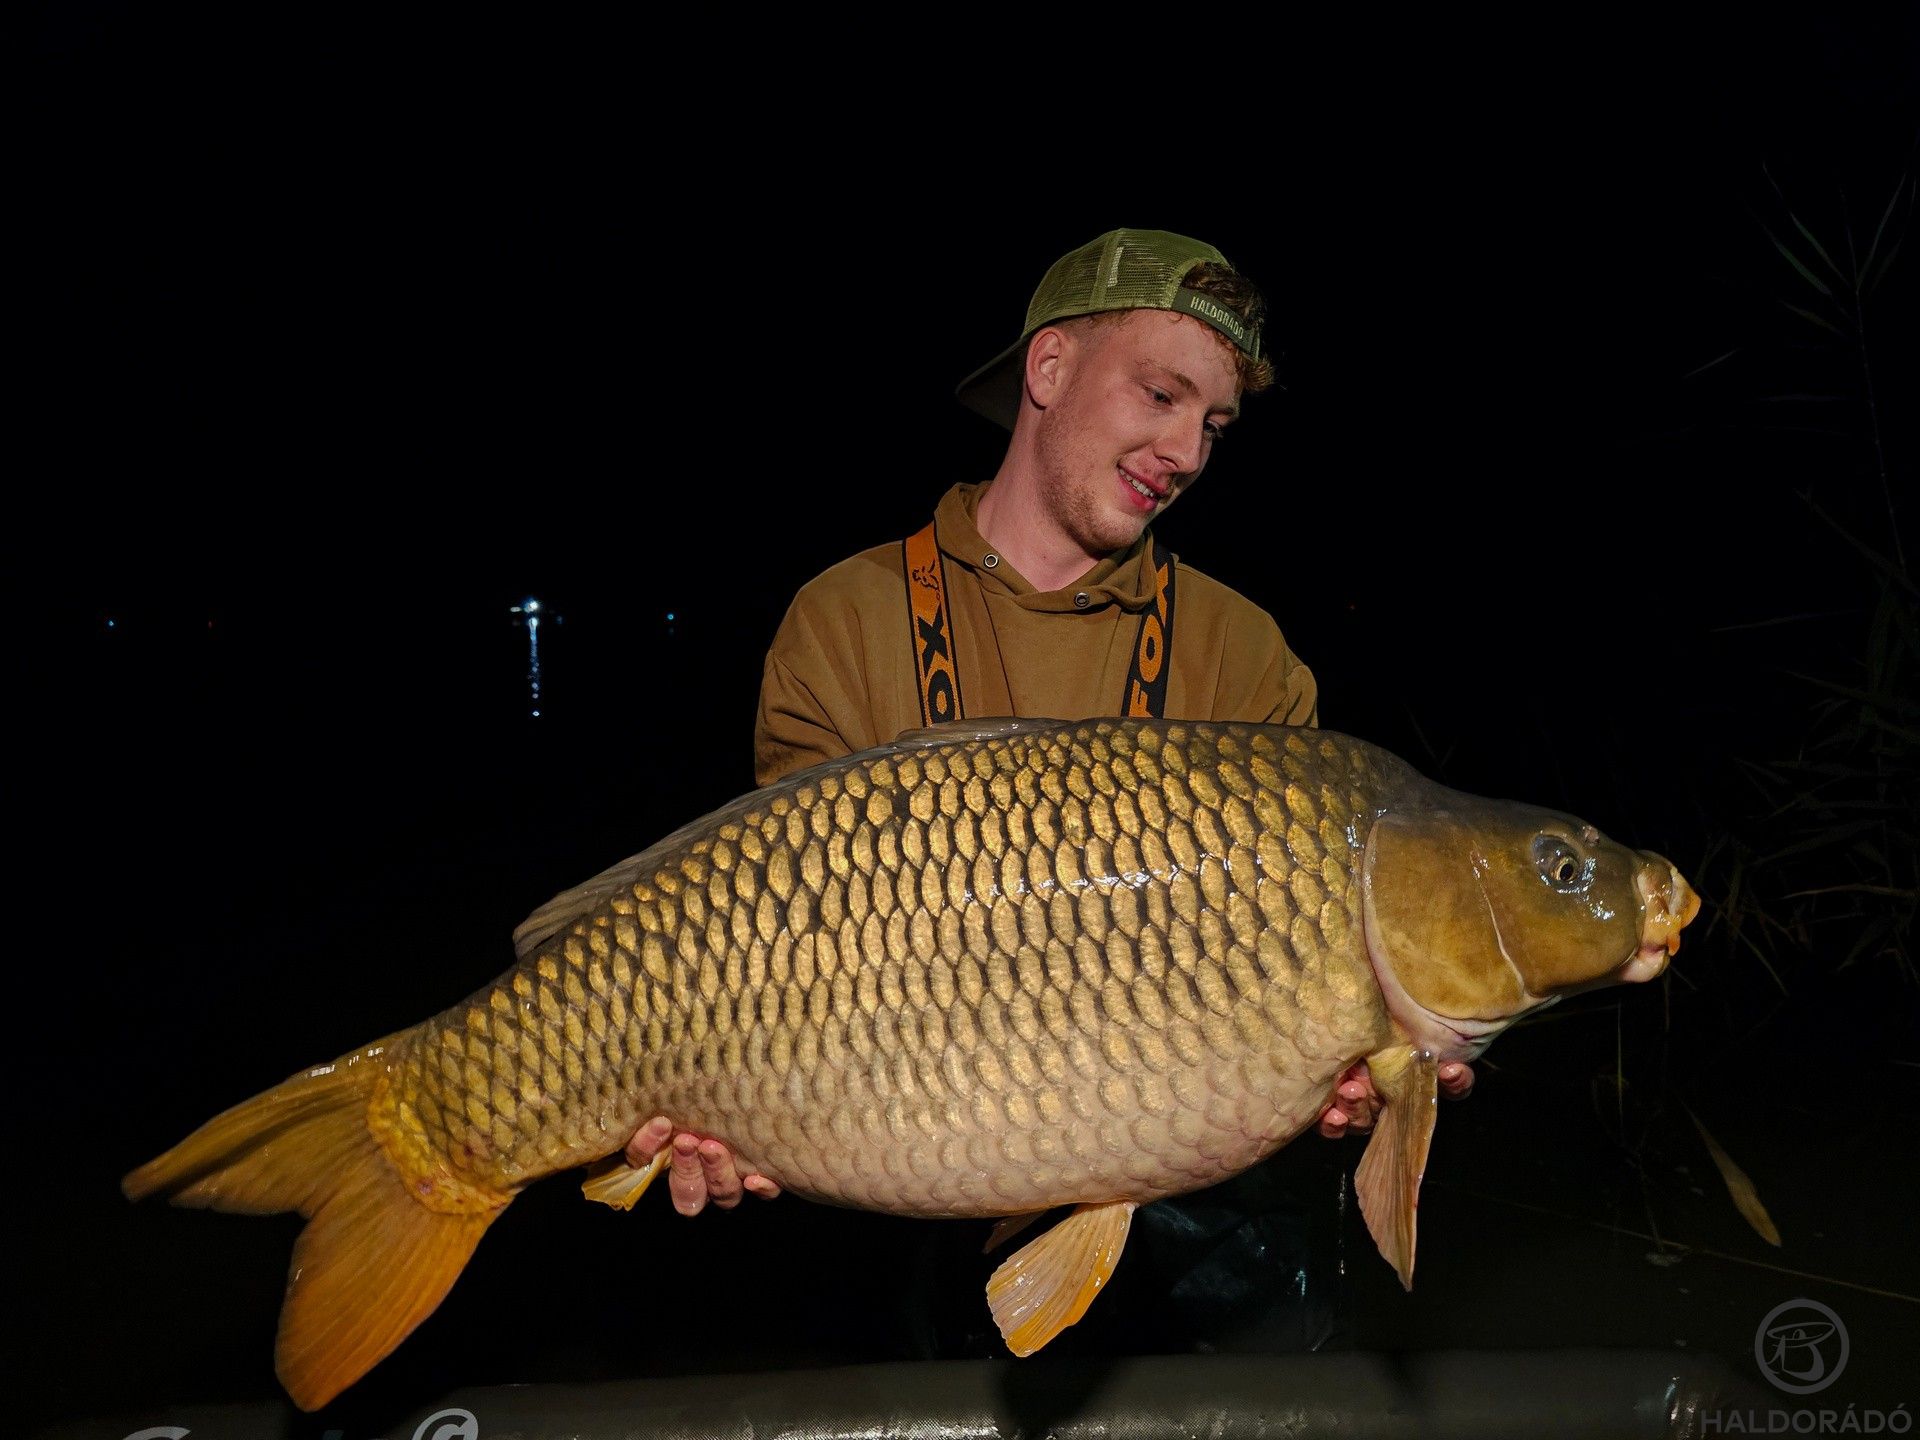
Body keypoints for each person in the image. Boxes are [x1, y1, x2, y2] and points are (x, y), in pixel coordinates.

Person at [624, 228, 1472, 1222]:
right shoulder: (846, 622)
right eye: (1160, 395)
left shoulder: (1241, 658)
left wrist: (1356, 1070)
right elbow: (780, 951)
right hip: (897, 1198)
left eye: (1215, 424)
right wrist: (725, 1116)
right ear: (1051, 365)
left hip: (1186, 1216)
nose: (1186, 453)